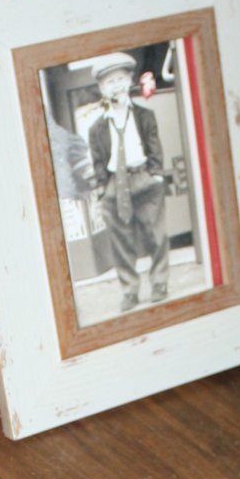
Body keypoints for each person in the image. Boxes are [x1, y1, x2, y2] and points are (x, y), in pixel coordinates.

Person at [86, 52, 169, 312]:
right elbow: (98, 162)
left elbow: (154, 147)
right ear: (102, 88)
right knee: (121, 243)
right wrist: (102, 191)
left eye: (121, 79)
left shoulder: (144, 115)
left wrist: (156, 175)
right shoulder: (96, 128)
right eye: (110, 82)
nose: (117, 86)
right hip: (114, 185)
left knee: (156, 235)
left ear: (130, 80)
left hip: (143, 178)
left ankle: (159, 283)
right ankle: (130, 291)